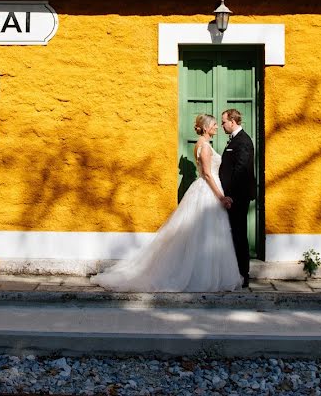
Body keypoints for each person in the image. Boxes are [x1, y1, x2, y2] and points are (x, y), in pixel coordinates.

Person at [91, 114, 242, 292]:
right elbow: (208, 174)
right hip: (209, 191)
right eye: (215, 125)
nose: (217, 127)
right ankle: (201, 277)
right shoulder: (206, 147)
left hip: (201, 189)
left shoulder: (198, 145)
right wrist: (221, 197)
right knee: (206, 235)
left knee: (198, 235)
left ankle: (199, 272)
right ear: (207, 127)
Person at [219, 108, 256, 288]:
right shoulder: (235, 140)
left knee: (239, 234)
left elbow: (240, 171)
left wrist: (230, 195)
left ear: (232, 121)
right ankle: (236, 271)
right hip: (233, 196)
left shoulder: (243, 142)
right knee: (234, 233)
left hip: (237, 197)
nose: (222, 125)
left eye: (224, 121)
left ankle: (243, 273)